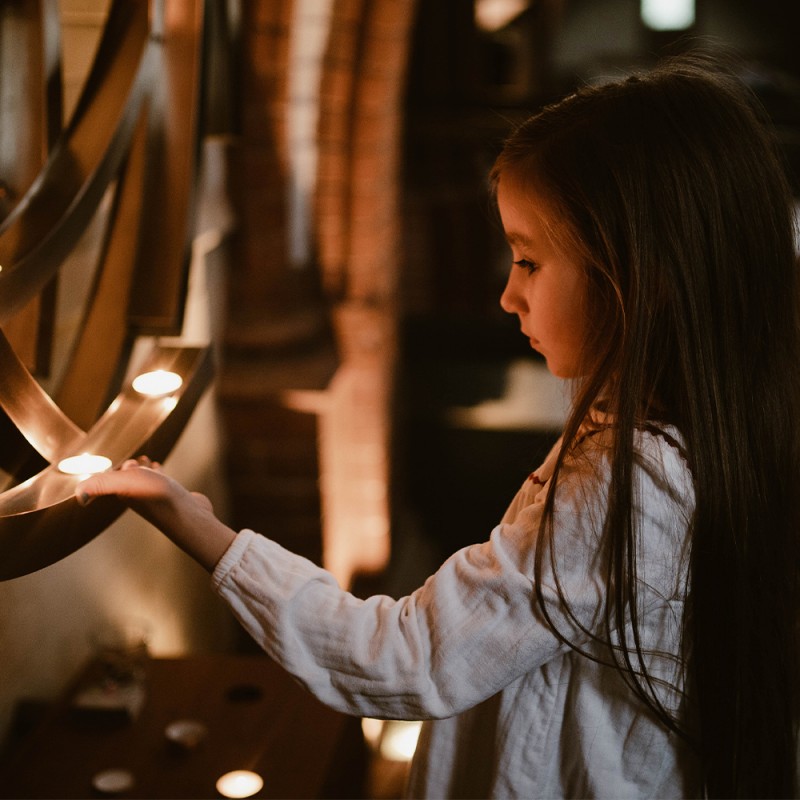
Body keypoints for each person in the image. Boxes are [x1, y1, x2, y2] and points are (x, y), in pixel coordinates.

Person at [76, 54, 800, 799]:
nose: (507, 296)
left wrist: (194, 522)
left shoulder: (628, 483)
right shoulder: (707, 424)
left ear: (641, 279)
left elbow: (404, 660)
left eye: (528, 261)